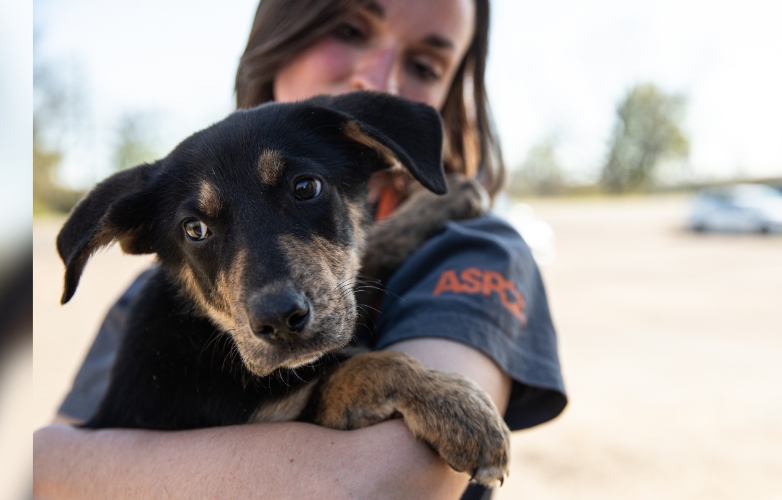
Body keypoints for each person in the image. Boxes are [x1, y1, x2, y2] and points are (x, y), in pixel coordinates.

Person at [33, 0, 566, 498]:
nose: (273, 302)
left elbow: (382, 481)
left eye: (305, 189)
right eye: (351, 31)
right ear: (282, 29)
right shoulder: (151, 317)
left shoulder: (477, 250)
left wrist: (58, 461)